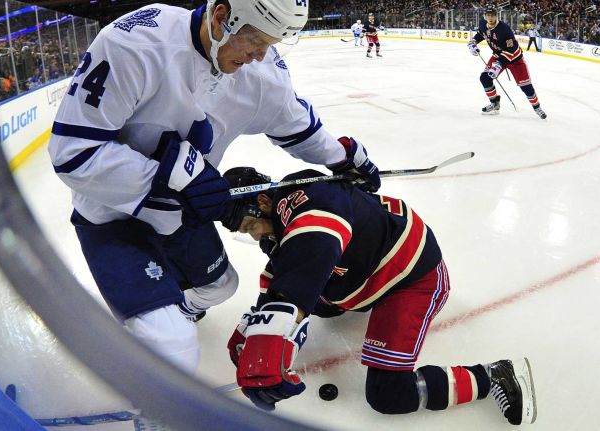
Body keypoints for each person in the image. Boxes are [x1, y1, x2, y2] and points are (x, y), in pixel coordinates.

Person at [47, 0, 381, 373]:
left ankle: (160, 311)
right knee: (173, 345)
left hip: (181, 213)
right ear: (222, 16)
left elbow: (298, 125)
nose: (259, 56)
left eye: (270, 45)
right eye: (254, 41)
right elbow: (73, 153)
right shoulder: (135, 43)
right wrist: (180, 175)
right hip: (112, 213)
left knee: (221, 286)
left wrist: (346, 159)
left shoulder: (262, 74)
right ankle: (154, 338)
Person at [223, 166, 537, 425]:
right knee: (302, 290)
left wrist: (272, 331)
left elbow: (313, 241)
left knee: (389, 395)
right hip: (363, 274)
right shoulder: (286, 215)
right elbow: (284, 270)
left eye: (251, 225)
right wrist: (260, 321)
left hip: (409, 281)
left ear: (264, 202)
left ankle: (493, 375)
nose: (255, 235)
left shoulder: (307, 198)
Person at [467, 8, 547, 119]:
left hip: (514, 59)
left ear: (496, 16)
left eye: (493, 15)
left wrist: (498, 64)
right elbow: (482, 34)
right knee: (485, 78)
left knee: (526, 86)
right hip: (498, 55)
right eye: (488, 15)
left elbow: (512, 49)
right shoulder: (483, 23)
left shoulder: (504, 29)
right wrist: (473, 42)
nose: (490, 18)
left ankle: (537, 107)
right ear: (485, 16)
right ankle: (495, 103)